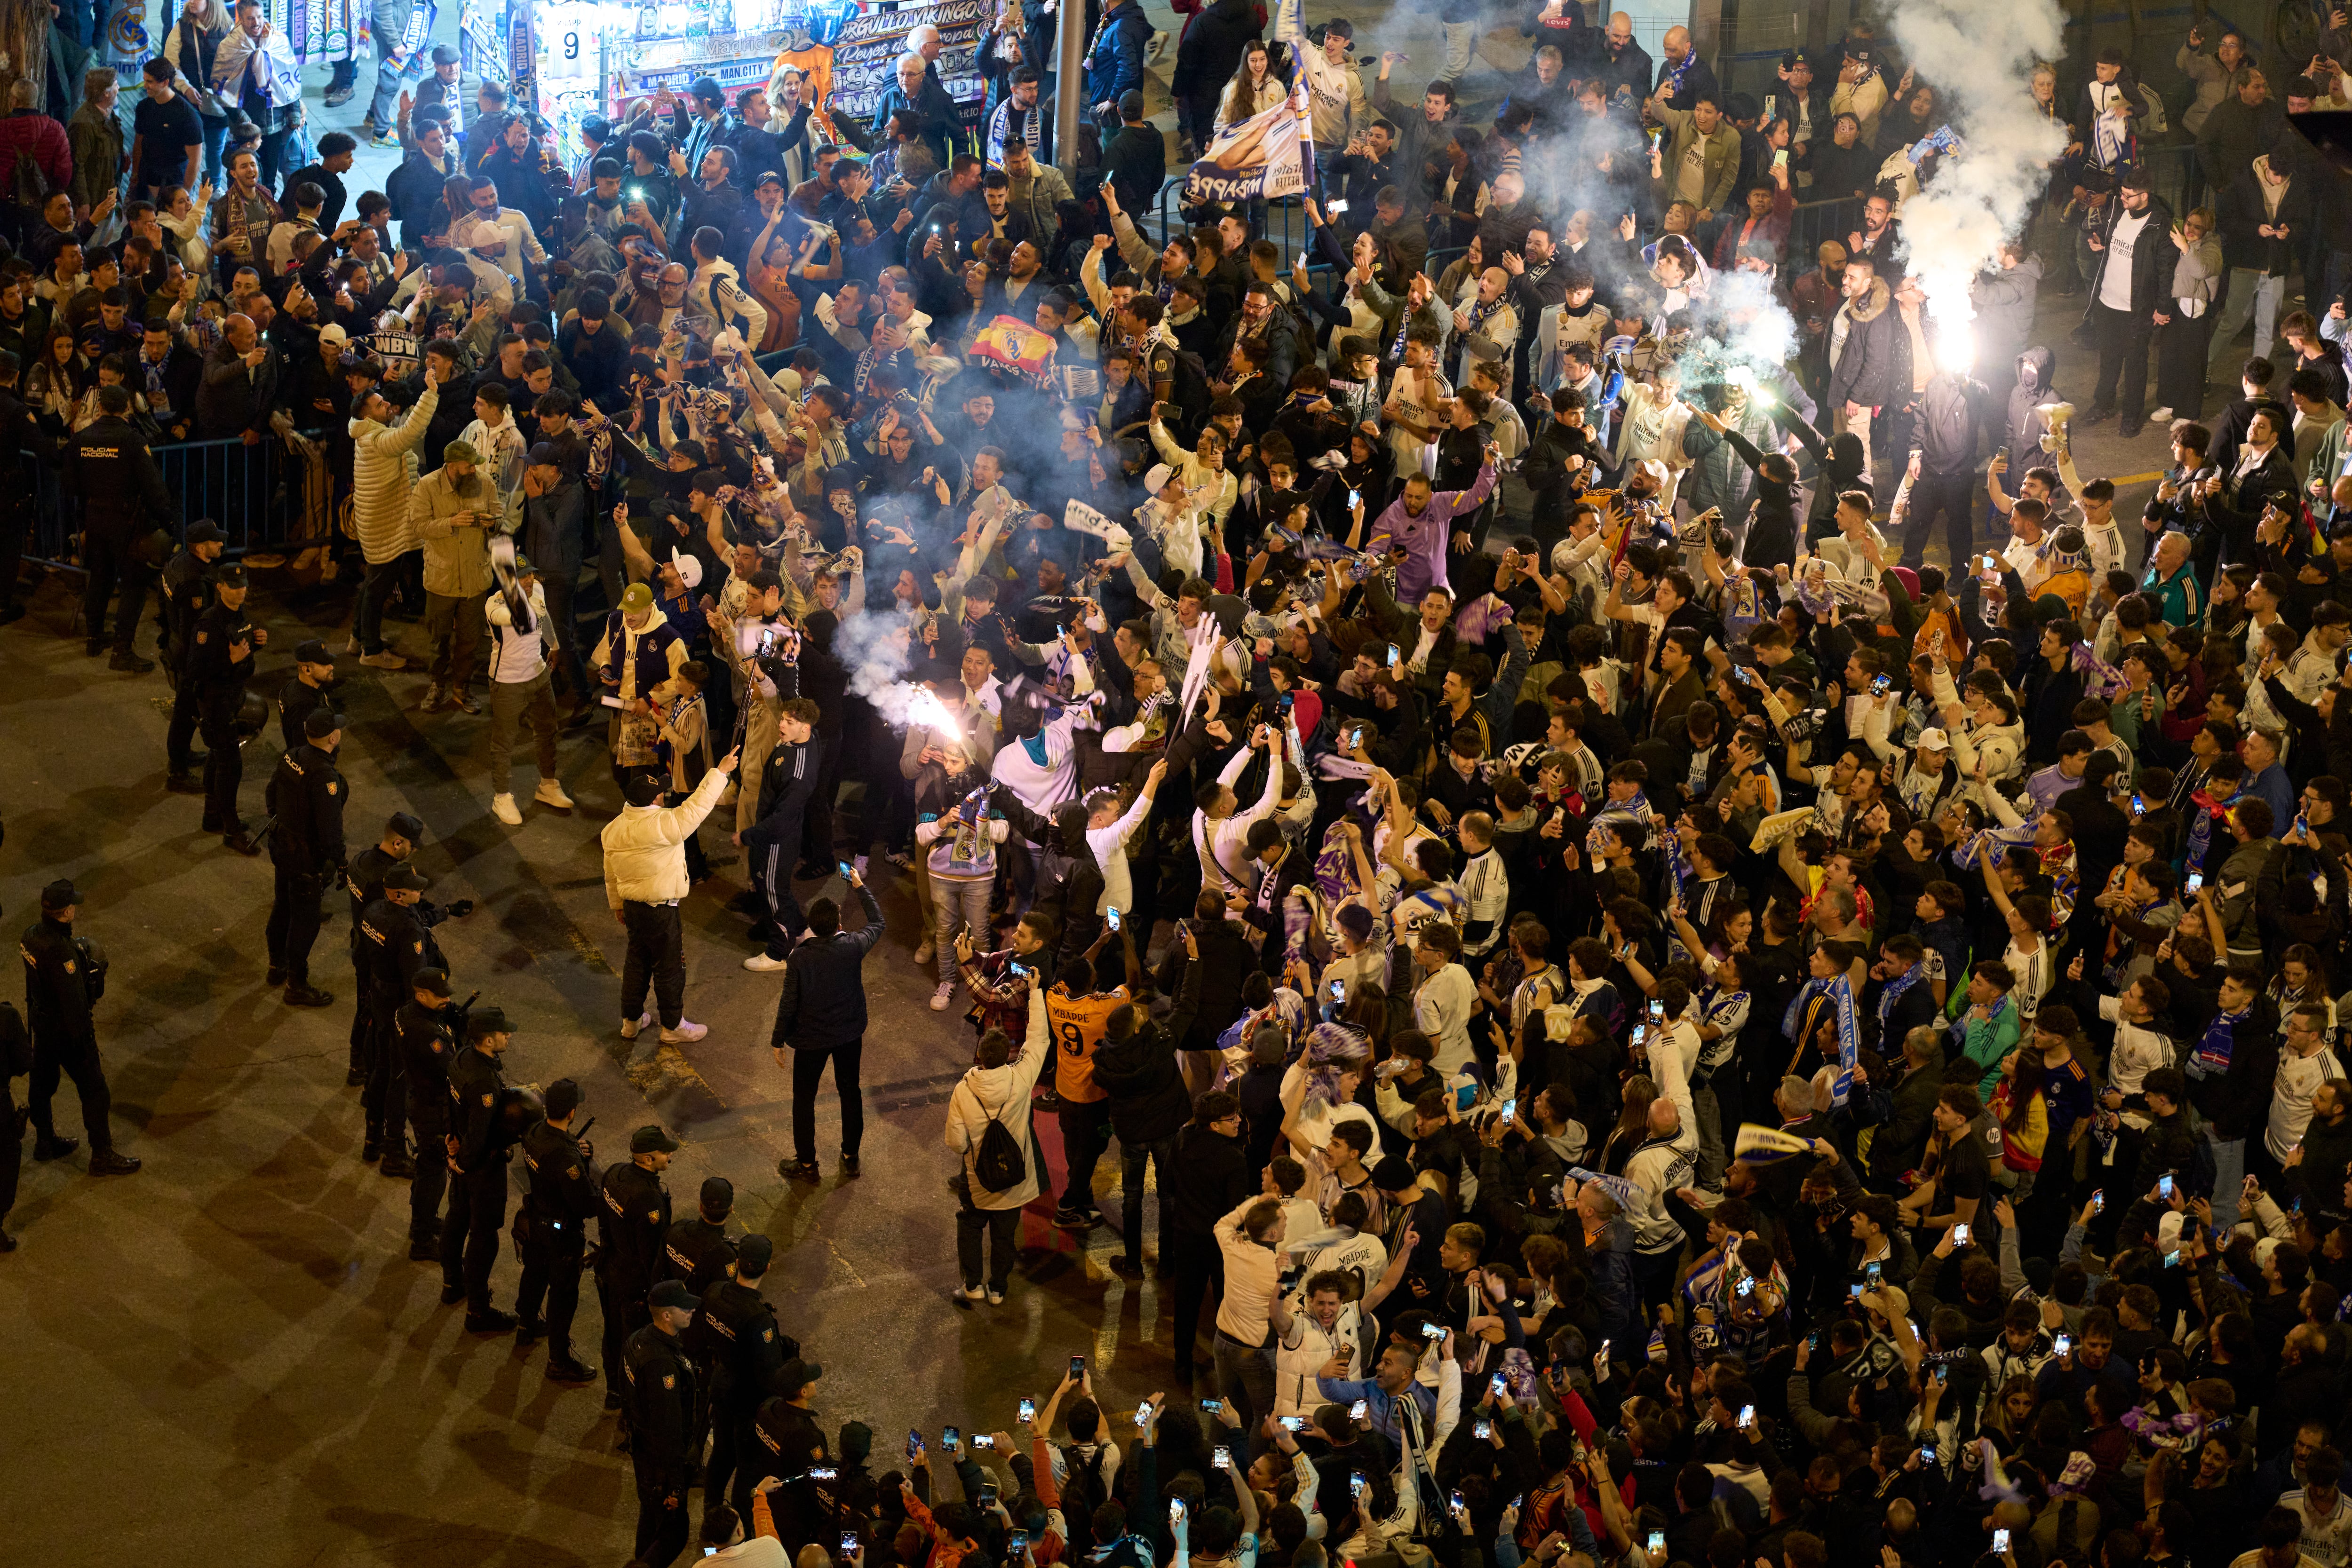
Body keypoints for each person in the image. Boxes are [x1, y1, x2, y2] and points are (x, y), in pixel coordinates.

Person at [601, 753, 740, 1047]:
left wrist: (617, 905)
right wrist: (721, 772)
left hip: (633, 908)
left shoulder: (612, 830)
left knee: (636, 963)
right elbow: (698, 806)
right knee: (670, 968)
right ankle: (673, 1026)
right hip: (661, 912)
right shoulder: (664, 823)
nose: (664, 797)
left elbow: (610, 873)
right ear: (651, 801)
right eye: (660, 794)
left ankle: (631, 1022)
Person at [772, 865, 886, 1182]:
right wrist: (859, 886)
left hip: (810, 1040)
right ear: (839, 925)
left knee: (804, 1101)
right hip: (849, 1034)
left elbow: (788, 1002)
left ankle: (808, 1165)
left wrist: (778, 1040)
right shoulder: (853, 946)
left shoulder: (799, 958)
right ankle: (851, 1156)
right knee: (850, 1092)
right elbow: (878, 921)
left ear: (811, 927)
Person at [20, 879, 140, 1176]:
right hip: (68, 1034)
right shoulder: (63, 954)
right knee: (96, 1091)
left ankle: (45, 1142)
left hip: (42, 1024)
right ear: (65, 912)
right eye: (72, 904)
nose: (75, 907)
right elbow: (75, 1004)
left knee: (42, 1083)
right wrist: (86, 1040)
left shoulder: (30, 936)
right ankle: (102, 1155)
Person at [946, 997, 1051, 1305]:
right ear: (1008, 1055)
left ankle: (973, 1285)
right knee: (1004, 1235)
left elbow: (956, 1142)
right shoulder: (1021, 1079)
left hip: (978, 1181)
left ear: (979, 1055)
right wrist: (1035, 992)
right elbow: (1038, 1039)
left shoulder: (964, 1090)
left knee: (970, 1225)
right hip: (1013, 1180)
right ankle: (998, 1289)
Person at [65, 380, 175, 672]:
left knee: (100, 577)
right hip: (126, 522)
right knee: (134, 584)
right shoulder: (132, 441)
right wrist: (169, 520)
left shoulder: (81, 439)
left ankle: (94, 638)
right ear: (126, 408)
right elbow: (153, 486)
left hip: (94, 517)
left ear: (100, 407)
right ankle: (122, 650)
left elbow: (69, 485)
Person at [515, 1076, 600, 1384]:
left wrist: (576, 1151)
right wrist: (584, 1164)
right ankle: (559, 1361)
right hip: (561, 1234)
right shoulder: (566, 1157)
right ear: (572, 1112)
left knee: (534, 1274)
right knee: (563, 1296)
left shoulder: (535, 1132)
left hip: (536, 1220)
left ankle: (526, 1324)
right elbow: (586, 1204)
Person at [440, 1006, 520, 1333]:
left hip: (462, 1157)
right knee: (483, 1237)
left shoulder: (461, 1057)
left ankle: (451, 1284)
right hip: (482, 1168)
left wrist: (451, 1140)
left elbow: (451, 1102)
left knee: (456, 1220)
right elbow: (480, 1133)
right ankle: (478, 1311)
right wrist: (463, 1162)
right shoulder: (485, 1082)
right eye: (503, 1033)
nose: (508, 1036)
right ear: (488, 1040)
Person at [263, 706, 347, 1007]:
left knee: (282, 904)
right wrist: (339, 861)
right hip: (304, 858)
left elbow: (271, 793)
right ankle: (296, 984)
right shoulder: (324, 775)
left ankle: (277, 965)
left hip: (282, 846)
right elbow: (330, 828)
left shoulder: (292, 755)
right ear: (333, 738)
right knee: (306, 921)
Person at [187, 561, 267, 853]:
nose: (240, 591)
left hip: (234, 694)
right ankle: (232, 829)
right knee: (230, 765)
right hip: (215, 700)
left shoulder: (241, 613)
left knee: (218, 757)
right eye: (234, 587)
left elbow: (242, 646)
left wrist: (257, 644)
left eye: (243, 585)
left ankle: (212, 816)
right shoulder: (208, 624)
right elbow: (194, 670)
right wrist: (229, 660)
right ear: (220, 587)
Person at [624, 1277, 703, 1568]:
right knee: (674, 1532)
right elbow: (668, 1430)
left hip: (643, 1451)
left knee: (650, 1517)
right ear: (667, 1316)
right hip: (660, 1465)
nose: (692, 1311)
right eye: (684, 1308)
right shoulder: (662, 1366)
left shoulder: (637, 1340)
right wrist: (677, 1485)